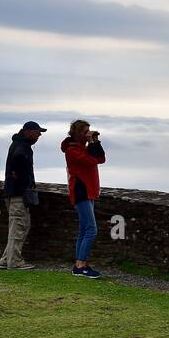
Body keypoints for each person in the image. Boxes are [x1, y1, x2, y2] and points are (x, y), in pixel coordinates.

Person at [0, 120, 46, 270]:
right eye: (37, 132)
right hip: (18, 194)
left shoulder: (18, 144)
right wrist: (24, 183)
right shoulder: (22, 147)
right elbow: (19, 162)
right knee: (19, 226)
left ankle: (6, 260)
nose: (39, 135)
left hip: (14, 192)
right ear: (27, 131)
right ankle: (14, 262)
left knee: (18, 226)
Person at [61, 119, 106, 278]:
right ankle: (80, 264)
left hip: (88, 191)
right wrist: (92, 142)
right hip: (81, 191)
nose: (88, 134)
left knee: (83, 229)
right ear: (77, 133)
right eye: (85, 131)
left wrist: (95, 141)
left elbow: (101, 159)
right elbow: (92, 160)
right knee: (91, 229)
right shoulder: (72, 151)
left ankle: (79, 264)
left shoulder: (81, 148)